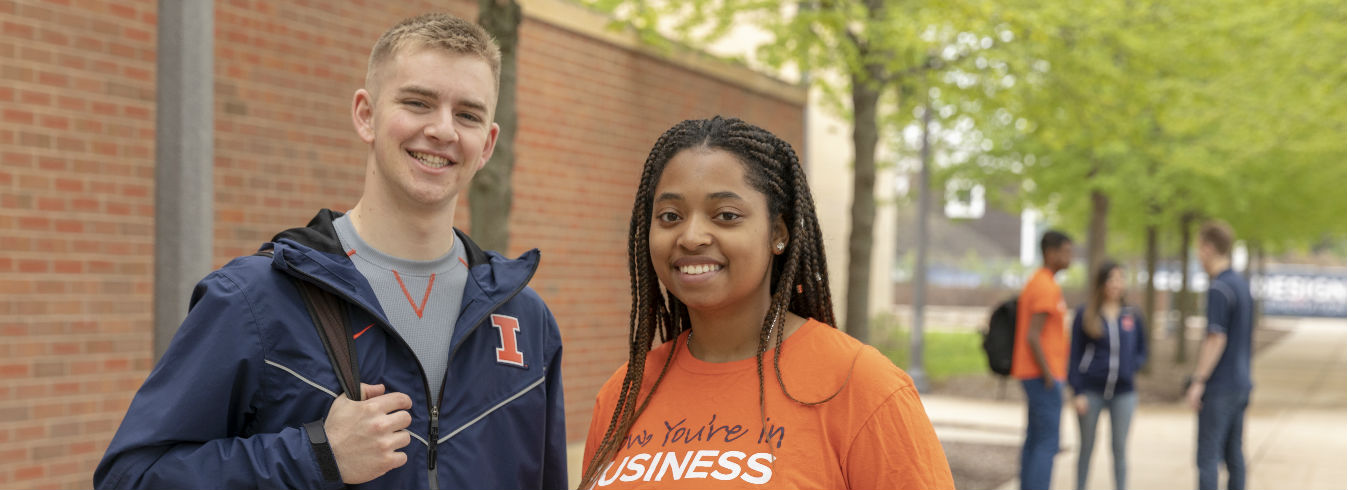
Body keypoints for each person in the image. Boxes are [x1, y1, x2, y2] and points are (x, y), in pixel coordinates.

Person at [94, 13, 566, 490]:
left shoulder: (526, 321)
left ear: (486, 144)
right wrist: (315, 456)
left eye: (467, 114)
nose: (443, 130)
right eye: (418, 103)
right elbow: (130, 478)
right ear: (366, 115)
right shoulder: (256, 300)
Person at [578, 116, 953, 489]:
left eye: (726, 215)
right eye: (670, 216)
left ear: (778, 233)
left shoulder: (861, 387)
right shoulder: (625, 393)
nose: (691, 236)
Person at [1186, 220, 1254, 490]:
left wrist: (1199, 380)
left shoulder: (1218, 288)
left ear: (1209, 248)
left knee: (1208, 456)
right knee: (1234, 455)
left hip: (1220, 386)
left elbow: (1216, 337)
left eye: (1199, 248)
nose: (1197, 254)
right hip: (1241, 383)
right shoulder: (1240, 284)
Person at [1068, 260, 1147, 490]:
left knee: (1120, 449)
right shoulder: (1086, 314)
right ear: (1102, 283)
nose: (1116, 284)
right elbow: (1074, 356)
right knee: (1086, 448)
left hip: (1124, 393)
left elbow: (1143, 349)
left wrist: (1131, 367)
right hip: (1091, 391)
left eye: (1120, 279)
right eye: (1112, 279)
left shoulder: (1132, 315)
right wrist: (1077, 391)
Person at [1014, 229, 1074, 490]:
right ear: (1051, 253)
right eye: (1066, 252)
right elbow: (1033, 336)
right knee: (1048, 442)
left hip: (1035, 374)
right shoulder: (1045, 286)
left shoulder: (1040, 281)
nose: (1070, 257)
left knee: (1035, 438)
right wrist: (1050, 376)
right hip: (1042, 376)